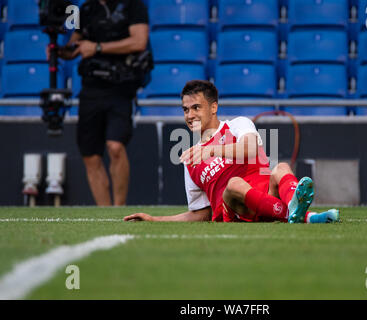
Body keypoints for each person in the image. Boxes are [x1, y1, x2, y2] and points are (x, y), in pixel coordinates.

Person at [124, 80, 340, 223]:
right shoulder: (190, 159)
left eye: (196, 108)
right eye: (185, 109)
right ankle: (305, 216)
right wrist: (155, 219)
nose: (189, 115)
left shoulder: (237, 124)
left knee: (281, 168)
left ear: (213, 107)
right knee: (234, 184)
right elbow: (201, 212)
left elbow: (251, 147)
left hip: (266, 196)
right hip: (235, 208)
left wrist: (211, 151)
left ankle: (295, 210)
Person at [52, 0, 150, 206]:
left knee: (115, 146)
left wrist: (97, 47)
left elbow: (139, 41)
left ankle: (118, 207)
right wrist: (59, 51)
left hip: (120, 87)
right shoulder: (84, 10)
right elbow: (76, 46)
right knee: (90, 155)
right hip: (90, 88)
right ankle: (104, 211)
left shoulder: (133, 6)